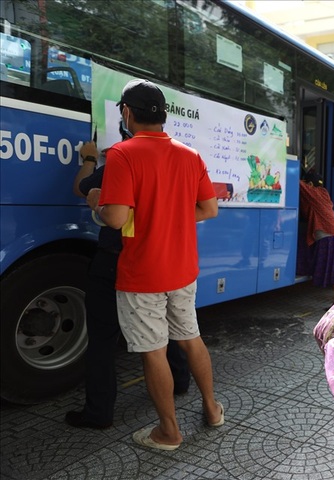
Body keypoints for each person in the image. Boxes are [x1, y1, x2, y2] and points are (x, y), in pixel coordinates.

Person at [88, 79, 222, 450]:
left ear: (127, 113)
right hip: (182, 270)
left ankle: (169, 431)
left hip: (142, 274)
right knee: (190, 339)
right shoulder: (189, 155)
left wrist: (95, 204)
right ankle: (212, 408)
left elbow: (115, 218)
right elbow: (209, 209)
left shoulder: (122, 154)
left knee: (154, 351)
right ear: (163, 116)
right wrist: (171, 215)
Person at [65, 126, 190, 430]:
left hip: (114, 261)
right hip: (157, 258)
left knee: (103, 337)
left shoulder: (122, 160)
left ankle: (99, 412)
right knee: (163, 325)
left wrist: (90, 159)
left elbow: (82, 188)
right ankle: (179, 381)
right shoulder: (178, 161)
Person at [297, 170, 334, 302]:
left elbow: (297, 182)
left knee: (330, 266)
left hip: (325, 233)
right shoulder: (324, 193)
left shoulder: (312, 192)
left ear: (310, 183)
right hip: (333, 233)